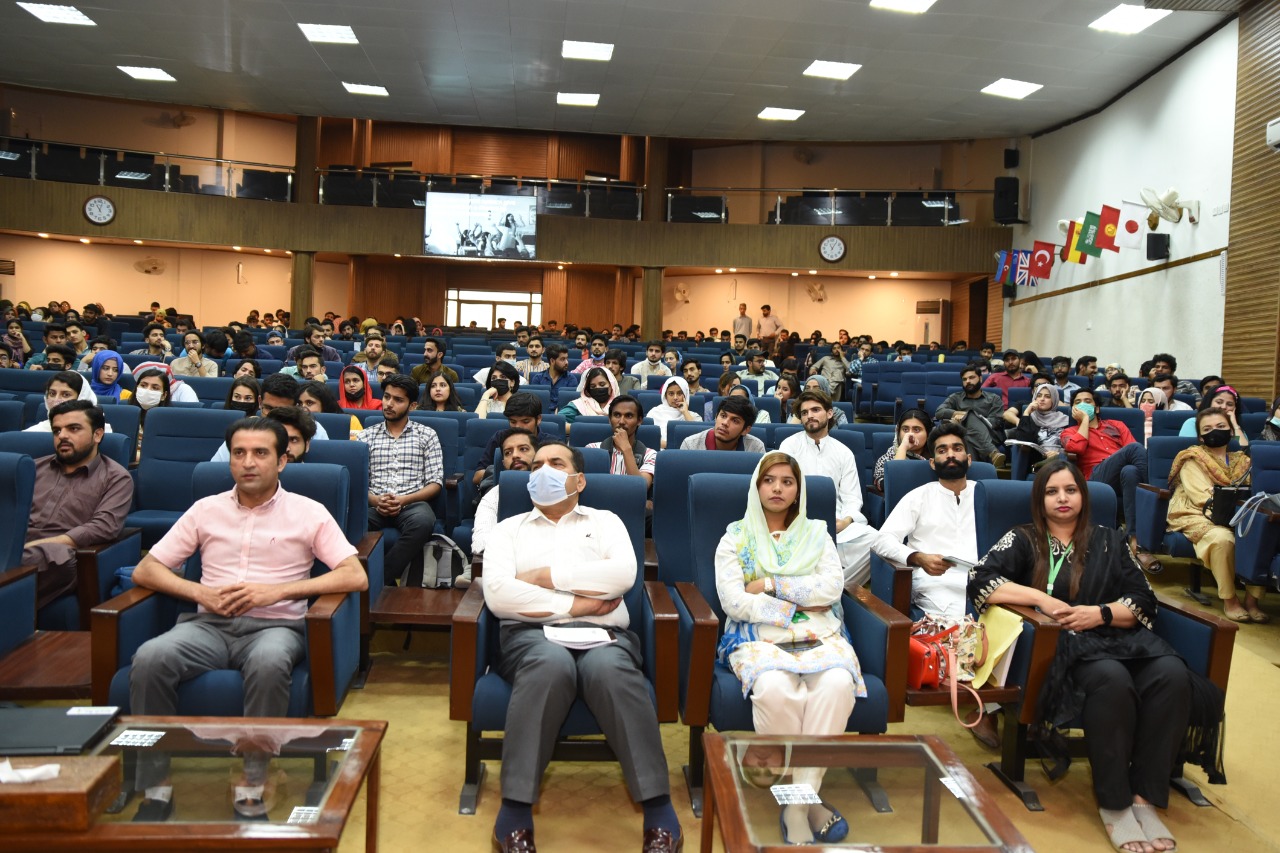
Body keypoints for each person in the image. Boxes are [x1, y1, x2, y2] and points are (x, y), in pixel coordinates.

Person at [969, 459, 1223, 853]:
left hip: (1118, 635)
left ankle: (1145, 797)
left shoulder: (1111, 540)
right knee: (1112, 680)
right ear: (1040, 500)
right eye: (1052, 492)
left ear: (1083, 496)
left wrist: (1101, 613)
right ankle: (1116, 803)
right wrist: (1042, 600)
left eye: (1070, 489)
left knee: (1172, 674)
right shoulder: (1022, 539)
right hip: (1064, 645)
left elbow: (1143, 600)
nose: (1062, 498)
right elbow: (981, 580)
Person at [126, 416, 366, 821]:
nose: (248, 462)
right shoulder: (206, 510)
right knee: (151, 657)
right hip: (207, 627)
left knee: (269, 662)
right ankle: (155, 788)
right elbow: (147, 570)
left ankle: (253, 782)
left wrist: (276, 591)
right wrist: (200, 592)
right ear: (230, 460)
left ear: (282, 461)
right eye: (239, 453)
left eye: (260, 453)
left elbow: (353, 574)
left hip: (276, 627)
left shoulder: (309, 512)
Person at [482, 441, 682, 853]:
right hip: (530, 639)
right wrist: (577, 603)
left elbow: (622, 575)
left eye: (555, 463)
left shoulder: (605, 521)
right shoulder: (508, 529)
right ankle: (516, 811)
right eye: (536, 465)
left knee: (611, 670)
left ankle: (659, 810)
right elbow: (501, 595)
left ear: (579, 479)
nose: (542, 471)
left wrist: (543, 575)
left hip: (604, 635)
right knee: (549, 665)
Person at [714, 452, 862, 846]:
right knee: (776, 689)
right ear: (756, 486)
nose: (778, 488)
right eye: (769, 480)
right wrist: (798, 600)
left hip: (821, 634)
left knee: (835, 686)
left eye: (787, 481)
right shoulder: (736, 537)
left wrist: (769, 585)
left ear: (798, 490)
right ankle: (808, 800)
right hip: (758, 635)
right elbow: (733, 601)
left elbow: (831, 589)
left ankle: (797, 804)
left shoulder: (817, 533)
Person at [23, 400, 133, 610]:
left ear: (97, 435)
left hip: (60, 552)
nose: (62, 435)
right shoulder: (32, 468)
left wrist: (40, 545)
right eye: (57, 430)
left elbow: (104, 526)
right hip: (14, 546)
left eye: (73, 429)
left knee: (60, 557)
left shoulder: (116, 477)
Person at [1167, 409, 1264, 622]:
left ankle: (1252, 600)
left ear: (1231, 431)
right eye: (1208, 429)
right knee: (1223, 539)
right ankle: (1230, 600)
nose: (1215, 432)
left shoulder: (1244, 461)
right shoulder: (1192, 458)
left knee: (1262, 534)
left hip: (1239, 512)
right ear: (1201, 437)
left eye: (1221, 427)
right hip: (1197, 513)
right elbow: (1203, 498)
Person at [780, 391, 877, 587]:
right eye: (804, 412)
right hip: (796, 522)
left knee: (879, 543)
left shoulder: (843, 452)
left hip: (837, 524)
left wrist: (846, 521)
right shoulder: (789, 446)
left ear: (830, 413)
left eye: (815, 410)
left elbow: (852, 497)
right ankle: (830, 586)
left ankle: (835, 586)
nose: (810, 416)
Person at [358, 375, 444, 586]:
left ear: (412, 405)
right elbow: (358, 482)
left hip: (412, 502)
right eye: (387, 397)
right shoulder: (365, 437)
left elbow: (435, 482)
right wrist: (375, 500)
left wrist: (403, 500)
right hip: (374, 503)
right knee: (349, 521)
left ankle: (378, 581)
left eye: (398, 400)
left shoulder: (427, 435)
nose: (389, 403)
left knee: (423, 522)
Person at [1061, 388, 1156, 570]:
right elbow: (1076, 448)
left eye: (1087, 401)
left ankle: (1134, 539)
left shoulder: (1117, 425)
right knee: (1135, 449)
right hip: (1095, 480)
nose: (1083, 404)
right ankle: (1154, 504)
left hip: (1122, 478)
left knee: (1130, 471)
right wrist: (1085, 421)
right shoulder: (1068, 432)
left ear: (1097, 408)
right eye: (1078, 402)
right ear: (1073, 409)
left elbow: (1133, 453)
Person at [472, 392, 558, 487]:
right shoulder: (500, 437)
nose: (518, 427)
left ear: (538, 419)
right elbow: (477, 476)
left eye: (525, 421)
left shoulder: (552, 444)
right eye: (513, 422)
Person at [937, 364, 1007, 467]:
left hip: (990, 434)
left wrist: (971, 419)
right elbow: (939, 411)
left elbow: (995, 422)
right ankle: (992, 453)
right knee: (967, 435)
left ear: (980, 378)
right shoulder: (956, 398)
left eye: (971, 377)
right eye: (964, 379)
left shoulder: (993, 398)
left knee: (970, 418)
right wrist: (958, 414)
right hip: (962, 434)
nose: (968, 381)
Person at [585, 395, 657, 489]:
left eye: (629, 416)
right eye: (617, 415)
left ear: (639, 421)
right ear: (609, 420)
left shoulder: (650, 455)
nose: (622, 421)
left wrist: (626, 449)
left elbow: (639, 489)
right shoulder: (593, 449)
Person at [1005, 382, 1070, 467]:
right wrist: (1026, 412)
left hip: (1060, 460)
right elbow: (1023, 440)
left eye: (1047, 396)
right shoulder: (1030, 418)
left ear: (1054, 400)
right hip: (1038, 460)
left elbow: (1071, 446)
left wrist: (1059, 454)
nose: (1042, 399)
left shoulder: (1065, 419)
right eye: (1039, 396)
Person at [873, 409, 933, 490]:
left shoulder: (936, 457)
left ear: (928, 433)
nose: (910, 434)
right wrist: (903, 447)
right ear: (898, 432)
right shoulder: (887, 458)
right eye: (905, 430)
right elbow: (890, 485)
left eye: (916, 430)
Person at [680, 395, 765, 452]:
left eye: (735, 421)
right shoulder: (690, 445)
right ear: (716, 417)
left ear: (746, 430)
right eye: (723, 416)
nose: (725, 423)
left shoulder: (756, 448)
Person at [129, 367, 172, 461]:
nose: (147, 390)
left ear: (164, 395)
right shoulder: (124, 414)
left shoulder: (169, 421)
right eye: (143, 385)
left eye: (155, 388)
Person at [298, 380, 363, 439]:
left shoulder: (350, 421)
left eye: (309, 403)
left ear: (324, 404)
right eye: (299, 404)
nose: (303, 408)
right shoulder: (295, 423)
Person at [650, 376, 702, 448]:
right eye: (671, 394)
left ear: (685, 395)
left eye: (679, 393)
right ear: (665, 395)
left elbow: (698, 439)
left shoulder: (694, 416)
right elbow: (648, 438)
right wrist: (668, 445)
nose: (675, 398)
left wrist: (685, 413)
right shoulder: (654, 412)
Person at [1179, 385, 1243, 438]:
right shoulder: (1192, 423)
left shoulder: (1236, 427)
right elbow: (1188, 450)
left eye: (1229, 404)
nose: (1223, 407)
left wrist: (1235, 425)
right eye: (1219, 402)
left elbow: (1243, 449)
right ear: (1209, 402)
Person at [529, 344, 577, 408]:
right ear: (552, 361)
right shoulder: (538, 378)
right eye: (562, 359)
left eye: (566, 359)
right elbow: (534, 403)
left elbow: (571, 404)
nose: (566, 362)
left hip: (562, 414)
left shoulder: (571, 379)